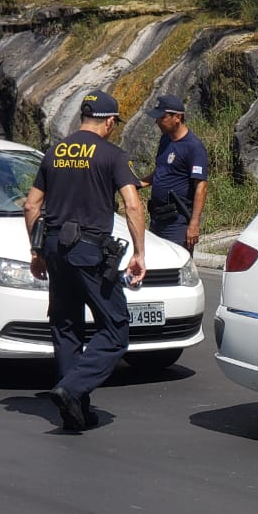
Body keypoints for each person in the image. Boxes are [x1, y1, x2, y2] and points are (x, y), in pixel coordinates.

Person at [24, 89, 146, 431]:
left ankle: (73, 409)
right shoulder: (112, 155)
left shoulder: (55, 152)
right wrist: (139, 253)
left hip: (54, 250)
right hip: (89, 252)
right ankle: (72, 388)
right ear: (109, 121)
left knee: (65, 327)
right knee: (116, 328)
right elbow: (132, 205)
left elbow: (32, 205)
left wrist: (36, 252)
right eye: (114, 123)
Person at [138, 93, 209, 254]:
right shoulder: (165, 140)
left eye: (161, 118)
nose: (157, 121)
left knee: (176, 267)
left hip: (177, 222)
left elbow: (201, 187)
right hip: (157, 218)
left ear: (177, 117)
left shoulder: (193, 147)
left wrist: (194, 223)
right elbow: (162, 171)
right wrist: (140, 183)